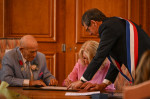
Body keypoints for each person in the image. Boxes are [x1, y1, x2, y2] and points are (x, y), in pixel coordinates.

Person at [68, 8, 150, 91]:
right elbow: (116, 62)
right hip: (145, 67)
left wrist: (82, 80)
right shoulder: (113, 25)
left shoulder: (107, 27)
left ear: (94, 23)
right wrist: (103, 85)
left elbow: (99, 56)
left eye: (88, 29)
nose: (90, 33)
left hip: (147, 65)